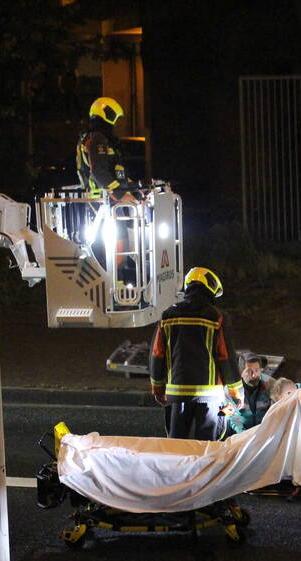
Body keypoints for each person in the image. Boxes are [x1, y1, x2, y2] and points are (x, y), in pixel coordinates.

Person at [149, 267, 243, 440]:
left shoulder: (168, 315)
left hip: (177, 393)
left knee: (176, 444)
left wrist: (158, 388)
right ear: (210, 288)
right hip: (209, 395)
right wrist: (236, 392)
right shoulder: (216, 316)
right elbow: (225, 356)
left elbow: (157, 354)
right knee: (207, 445)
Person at [75, 96, 139, 286]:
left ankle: (120, 279)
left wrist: (136, 190)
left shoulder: (98, 139)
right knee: (115, 242)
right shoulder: (97, 139)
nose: (115, 124)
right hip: (101, 204)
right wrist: (121, 194)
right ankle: (115, 284)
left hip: (108, 203)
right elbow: (100, 174)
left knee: (119, 240)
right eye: (114, 118)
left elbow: (115, 173)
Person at [238, 355, 274, 431]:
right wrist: (242, 432)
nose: (254, 375)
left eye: (257, 370)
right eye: (249, 371)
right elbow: (231, 416)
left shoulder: (270, 384)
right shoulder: (233, 390)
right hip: (241, 432)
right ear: (241, 372)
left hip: (265, 430)